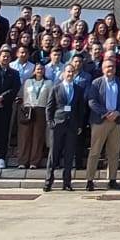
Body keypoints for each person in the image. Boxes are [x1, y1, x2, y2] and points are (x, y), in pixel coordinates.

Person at [83, 57, 120, 191]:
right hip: (100, 120)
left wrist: (118, 112)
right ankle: (90, 180)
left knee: (114, 152)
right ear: (103, 69)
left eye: (112, 67)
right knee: (95, 151)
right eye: (107, 67)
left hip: (117, 121)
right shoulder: (96, 83)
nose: (110, 69)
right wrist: (106, 113)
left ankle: (112, 179)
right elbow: (92, 101)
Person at [45, 58, 83, 192]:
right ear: (63, 73)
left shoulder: (79, 89)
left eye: (72, 72)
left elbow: (80, 109)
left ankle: (67, 182)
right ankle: (48, 181)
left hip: (72, 125)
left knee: (69, 154)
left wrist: (79, 125)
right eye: (68, 72)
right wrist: (50, 122)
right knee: (53, 153)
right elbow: (49, 107)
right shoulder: (56, 88)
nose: (70, 74)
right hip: (58, 124)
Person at [17, 61, 53, 169]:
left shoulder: (48, 83)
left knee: (38, 137)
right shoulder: (28, 82)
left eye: (41, 69)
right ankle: (23, 161)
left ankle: (34, 161)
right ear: (34, 71)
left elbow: (50, 99)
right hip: (28, 110)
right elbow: (22, 96)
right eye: (38, 69)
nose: (39, 71)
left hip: (41, 110)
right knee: (25, 136)